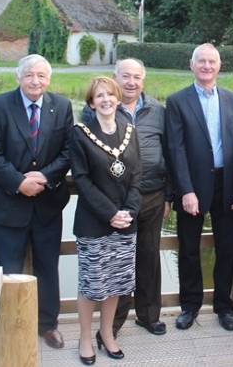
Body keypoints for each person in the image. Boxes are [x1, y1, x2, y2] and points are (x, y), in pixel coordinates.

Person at [0, 54, 74, 350]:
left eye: (41, 76)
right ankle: (9, 326)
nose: (35, 81)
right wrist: (19, 182)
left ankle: (48, 325)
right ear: (17, 77)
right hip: (9, 203)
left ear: (49, 79)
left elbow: (69, 151)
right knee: (8, 270)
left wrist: (45, 177)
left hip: (47, 204)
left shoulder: (61, 106)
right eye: (29, 75)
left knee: (48, 266)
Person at [80, 58, 171, 337]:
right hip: (114, 202)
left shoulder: (158, 110)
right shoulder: (98, 108)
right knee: (116, 263)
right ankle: (113, 326)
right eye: (126, 76)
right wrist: (108, 207)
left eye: (137, 77)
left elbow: (170, 152)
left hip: (153, 195)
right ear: (114, 77)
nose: (131, 82)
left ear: (143, 80)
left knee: (148, 257)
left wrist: (169, 194)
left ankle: (148, 316)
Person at [165, 43, 233, 332]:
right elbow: (175, 148)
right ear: (191, 65)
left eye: (212, 61)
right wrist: (185, 190)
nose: (207, 66)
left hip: (226, 184)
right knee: (188, 249)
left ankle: (224, 306)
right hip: (193, 186)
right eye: (201, 61)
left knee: (226, 248)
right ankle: (189, 306)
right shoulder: (177, 101)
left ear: (219, 66)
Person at [70, 76, 142, 364]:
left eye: (110, 94)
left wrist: (128, 212)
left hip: (126, 223)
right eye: (99, 96)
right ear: (91, 102)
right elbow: (82, 180)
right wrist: (110, 213)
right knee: (92, 285)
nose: (106, 100)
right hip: (94, 223)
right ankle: (85, 337)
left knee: (116, 283)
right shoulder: (80, 133)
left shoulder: (129, 131)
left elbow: (137, 176)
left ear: (117, 98)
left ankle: (107, 334)